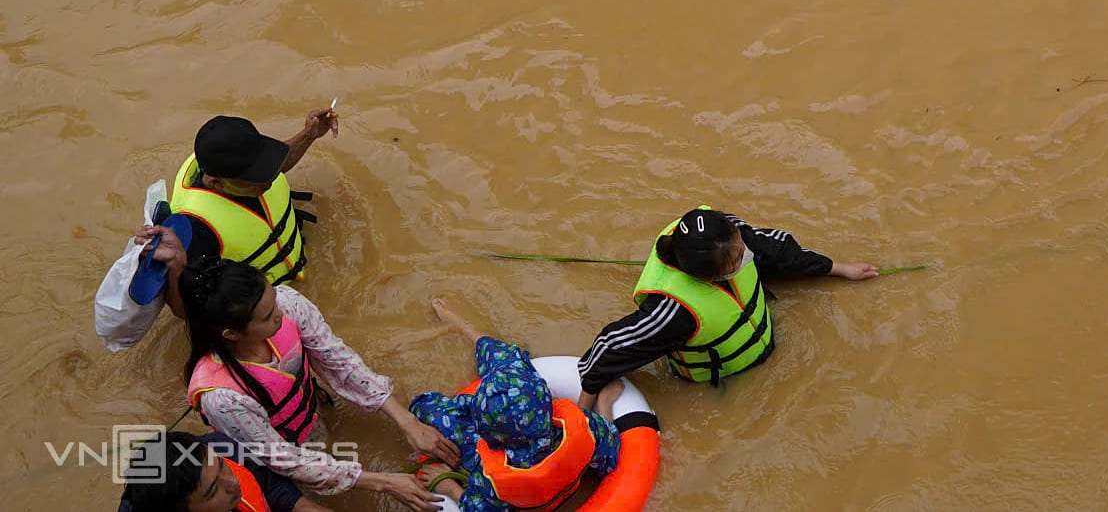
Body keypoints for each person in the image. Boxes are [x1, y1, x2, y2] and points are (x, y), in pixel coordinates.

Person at [174, 257, 453, 511]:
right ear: (232, 334)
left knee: (329, 447)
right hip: (273, 455)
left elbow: (339, 362)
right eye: (268, 316)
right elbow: (285, 460)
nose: (280, 315)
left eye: (274, 301)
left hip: (308, 415)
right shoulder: (223, 398)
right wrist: (383, 482)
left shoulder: (288, 303)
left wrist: (407, 421)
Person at [576, 206, 878, 398]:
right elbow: (611, 345)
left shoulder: (730, 234)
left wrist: (839, 268)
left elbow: (779, 250)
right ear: (710, 278)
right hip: (722, 382)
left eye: (740, 244)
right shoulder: (674, 312)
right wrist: (588, 397)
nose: (745, 251)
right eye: (736, 258)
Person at [407, 298, 621, 512]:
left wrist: (451, 488)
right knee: (512, 364)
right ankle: (467, 331)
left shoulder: (493, 479)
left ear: (487, 435)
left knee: (426, 407)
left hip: (503, 451)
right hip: (553, 457)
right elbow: (611, 453)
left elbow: (479, 509)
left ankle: (462, 330)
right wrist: (605, 406)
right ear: (547, 402)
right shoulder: (585, 428)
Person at [137, 110, 340, 307]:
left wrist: (308, 135)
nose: (268, 178)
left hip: (298, 264)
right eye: (255, 176)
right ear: (216, 184)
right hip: (264, 305)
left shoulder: (232, 162)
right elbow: (190, 305)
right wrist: (176, 267)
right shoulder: (197, 230)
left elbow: (281, 163)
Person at [118, 430, 327, 512]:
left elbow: (271, 485)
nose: (232, 482)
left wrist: (307, 507)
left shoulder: (219, 447)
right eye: (212, 491)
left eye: (222, 466)